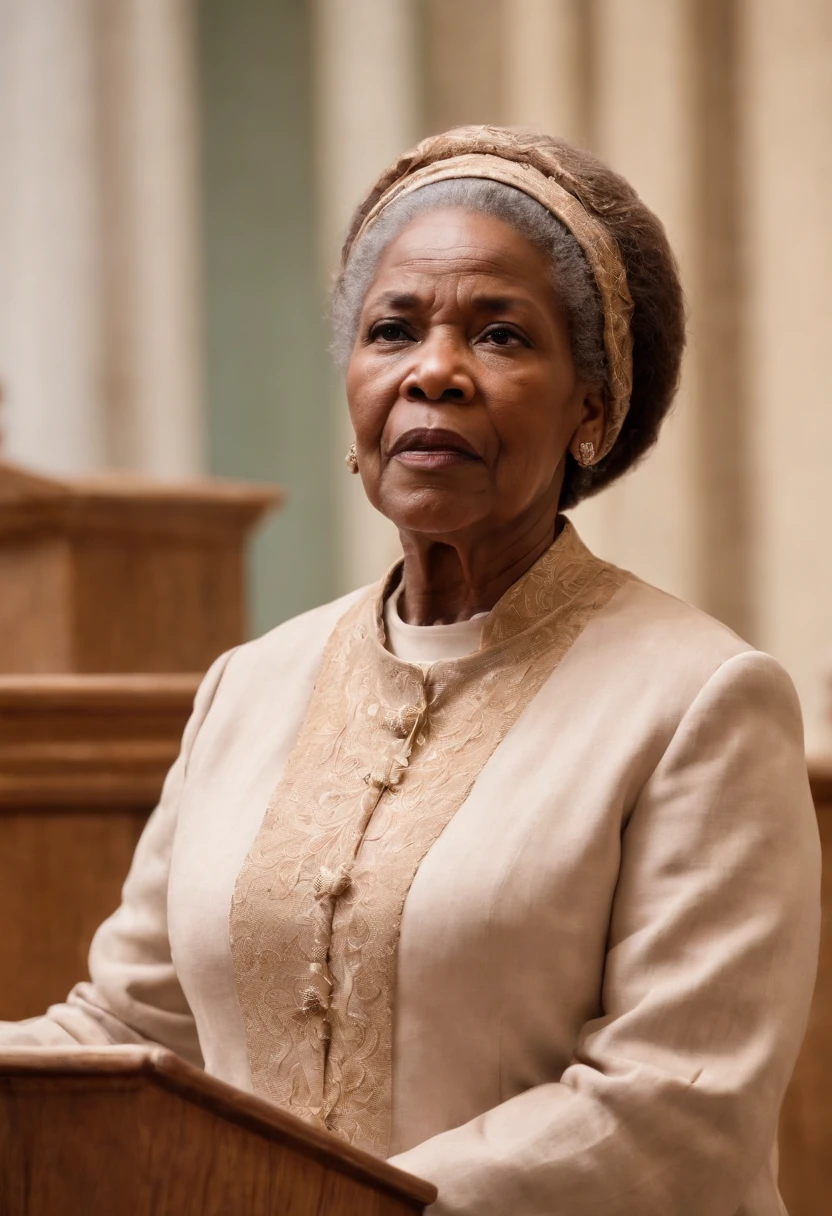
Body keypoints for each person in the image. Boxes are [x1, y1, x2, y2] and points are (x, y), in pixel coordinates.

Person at [1, 126, 820, 1215]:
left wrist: (320, 1200)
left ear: (591, 409)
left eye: (499, 334)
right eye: (394, 329)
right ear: (354, 390)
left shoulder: (701, 701)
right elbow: (132, 1031)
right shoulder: (248, 686)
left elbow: (677, 1102)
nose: (434, 370)